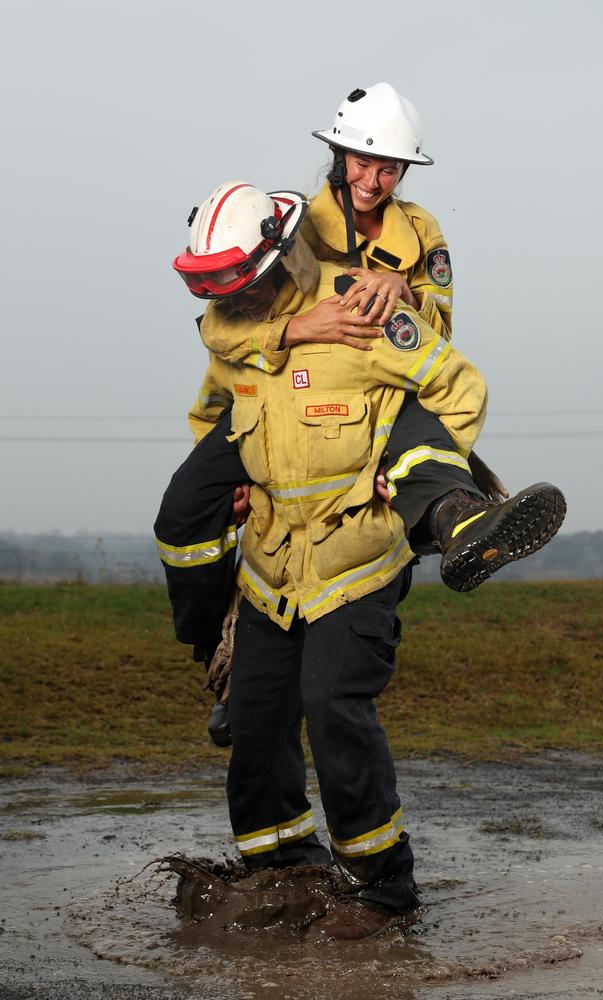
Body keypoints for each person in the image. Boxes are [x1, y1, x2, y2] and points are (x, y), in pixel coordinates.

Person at [169, 180, 565, 939]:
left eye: (247, 286)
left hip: (356, 559)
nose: (239, 302)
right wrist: (235, 490)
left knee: (333, 707)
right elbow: (209, 415)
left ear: (282, 259)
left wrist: (399, 465)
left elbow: (459, 389)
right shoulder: (237, 334)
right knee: (255, 727)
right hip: (270, 567)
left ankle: (384, 887)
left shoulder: (366, 309)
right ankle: (277, 863)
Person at [155, 84, 565, 746]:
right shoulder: (295, 227)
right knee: (256, 546)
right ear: (337, 153)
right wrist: (295, 331)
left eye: (389, 168)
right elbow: (227, 318)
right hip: (294, 401)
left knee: (394, 490)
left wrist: (401, 289)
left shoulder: (423, 231)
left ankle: (458, 525)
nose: (372, 180)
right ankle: (235, 677)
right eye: (360, 162)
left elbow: (441, 333)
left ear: (405, 171)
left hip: (385, 393)